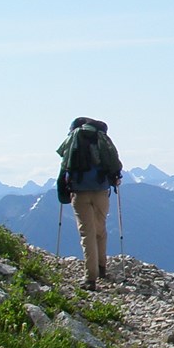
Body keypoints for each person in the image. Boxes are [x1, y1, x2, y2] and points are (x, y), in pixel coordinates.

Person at [56, 117, 123, 290]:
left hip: (79, 193)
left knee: (87, 233)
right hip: (101, 191)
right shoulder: (101, 139)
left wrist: (63, 192)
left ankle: (90, 278)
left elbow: (64, 167)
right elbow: (114, 165)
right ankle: (101, 268)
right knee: (100, 229)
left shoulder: (74, 139)